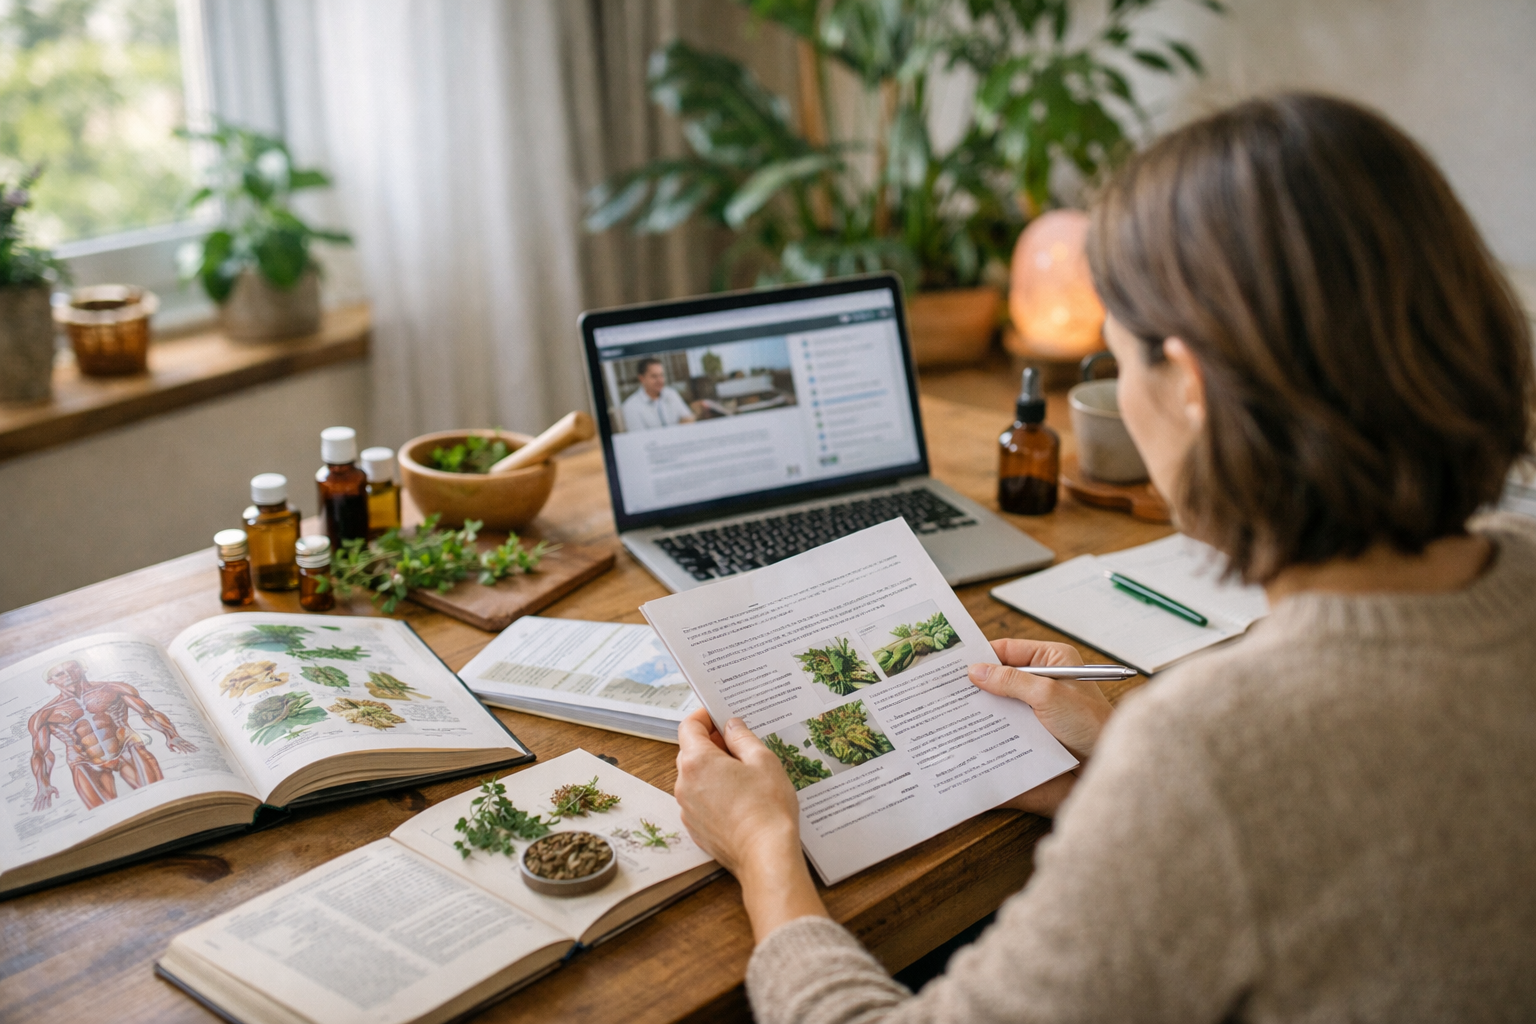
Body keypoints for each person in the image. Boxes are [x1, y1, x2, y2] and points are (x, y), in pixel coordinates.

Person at [674, 93, 1536, 1023]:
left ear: (1193, 387)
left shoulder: (1216, 749)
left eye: (1121, 362)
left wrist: (762, 844)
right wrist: (1116, 770)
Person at [30, 659, 199, 811]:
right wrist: (43, 784)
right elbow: (41, 753)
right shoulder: (45, 714)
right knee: (106, 815)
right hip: (84, 762)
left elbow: (148, 713)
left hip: (127, 749)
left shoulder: (113, 689)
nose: (67, 674)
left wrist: (171, 735)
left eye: (72, 668)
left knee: (162, 800)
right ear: (51, 681)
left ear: (83, 668)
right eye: (59, 674)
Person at [621, 356, 695, 430]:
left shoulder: (671, 394)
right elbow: (640, 438)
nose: (660, 380)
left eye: (661, 375)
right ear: (642, 378)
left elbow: (689, 419)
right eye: (654, 376)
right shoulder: (631, 406)